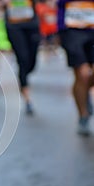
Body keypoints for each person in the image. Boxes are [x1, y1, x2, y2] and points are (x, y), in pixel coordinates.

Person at [57, 0, 94, 135]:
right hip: (72, 31)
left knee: (87, 78)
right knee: (82, 74)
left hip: (92, 30)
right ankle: (83, 116)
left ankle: (84, 94)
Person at [2, 0, 41, 115]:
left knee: (31, 61)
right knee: (22, 58)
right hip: (14, 26)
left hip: (31, 25)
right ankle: (27, 98)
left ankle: (23, 76)